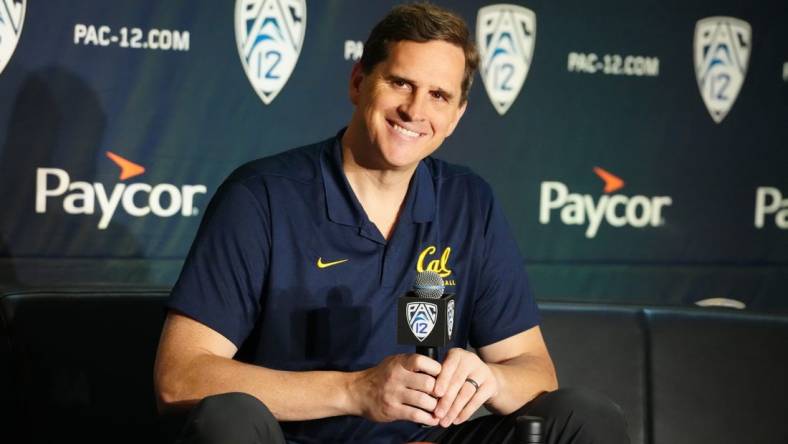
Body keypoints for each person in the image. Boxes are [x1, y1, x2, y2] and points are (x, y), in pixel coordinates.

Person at [154, 3, 629, 443]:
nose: (415, 110)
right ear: (359, 82)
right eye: (401, 83)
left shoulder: (468, 202)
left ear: (456, 116)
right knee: (226, 419)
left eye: (439, 95)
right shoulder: (263, 195)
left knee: (583, 416)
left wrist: (492, 379)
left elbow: (535, 372)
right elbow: (180, 378)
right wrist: (354, 390)